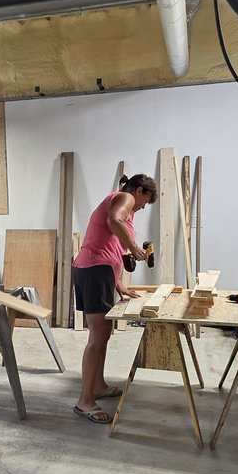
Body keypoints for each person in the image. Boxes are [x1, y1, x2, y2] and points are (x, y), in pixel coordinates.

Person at [71, 173, 157, 423]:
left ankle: (97, 386)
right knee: (97, 338)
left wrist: (117, 283)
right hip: (94, 271)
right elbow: (114, 220)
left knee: (103, 334)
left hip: (99, 271)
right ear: (140, 190)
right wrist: (133, 247)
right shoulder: (124, 197)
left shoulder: (119, 199)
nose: (140, 208)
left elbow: (105, 242)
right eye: (145, 202)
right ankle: (85, 401)